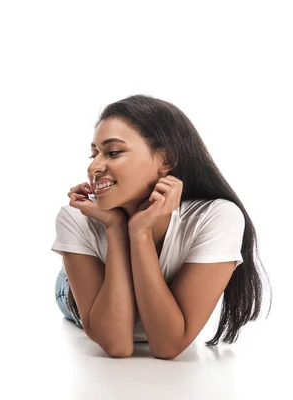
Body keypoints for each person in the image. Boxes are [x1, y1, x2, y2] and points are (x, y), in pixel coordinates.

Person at [52, 95, 269, 359]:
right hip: (75, 292)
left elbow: (168, 345)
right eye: (94, 154)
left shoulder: (218, 218)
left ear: (165, 160)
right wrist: (115, 228)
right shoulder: (76, 217)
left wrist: (139, 232)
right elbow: (117, 345)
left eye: (113, 152)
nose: (94, 167)